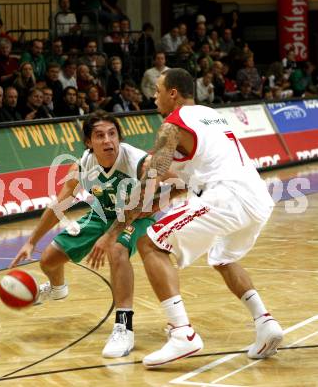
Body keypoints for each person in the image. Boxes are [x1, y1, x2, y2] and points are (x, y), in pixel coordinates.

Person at [90, 68, 284, 367]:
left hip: (226, 196)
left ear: (173, 93)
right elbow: (178, 186)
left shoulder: (172, 125)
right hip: (257, 197)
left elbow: (148, 185)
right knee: (222, 258)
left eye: (157, 90)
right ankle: (265, 322)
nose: (152, 96)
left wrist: (113, 231)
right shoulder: (211, 115)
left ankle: (182, 333)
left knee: (150, 243)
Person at [9, 110, 155, 359]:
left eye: (112, 134)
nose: (108, 140)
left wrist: (110, 236)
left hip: (136, 215)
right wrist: (31, 241)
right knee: (48, 260)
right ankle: (57, 289)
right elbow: (60, 205)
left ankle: (123, 326)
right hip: (102, 214)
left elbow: (149, 201)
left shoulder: (139, 162)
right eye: (100, 136)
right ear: (89, 142)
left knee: (117, 249)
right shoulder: (83, 165)